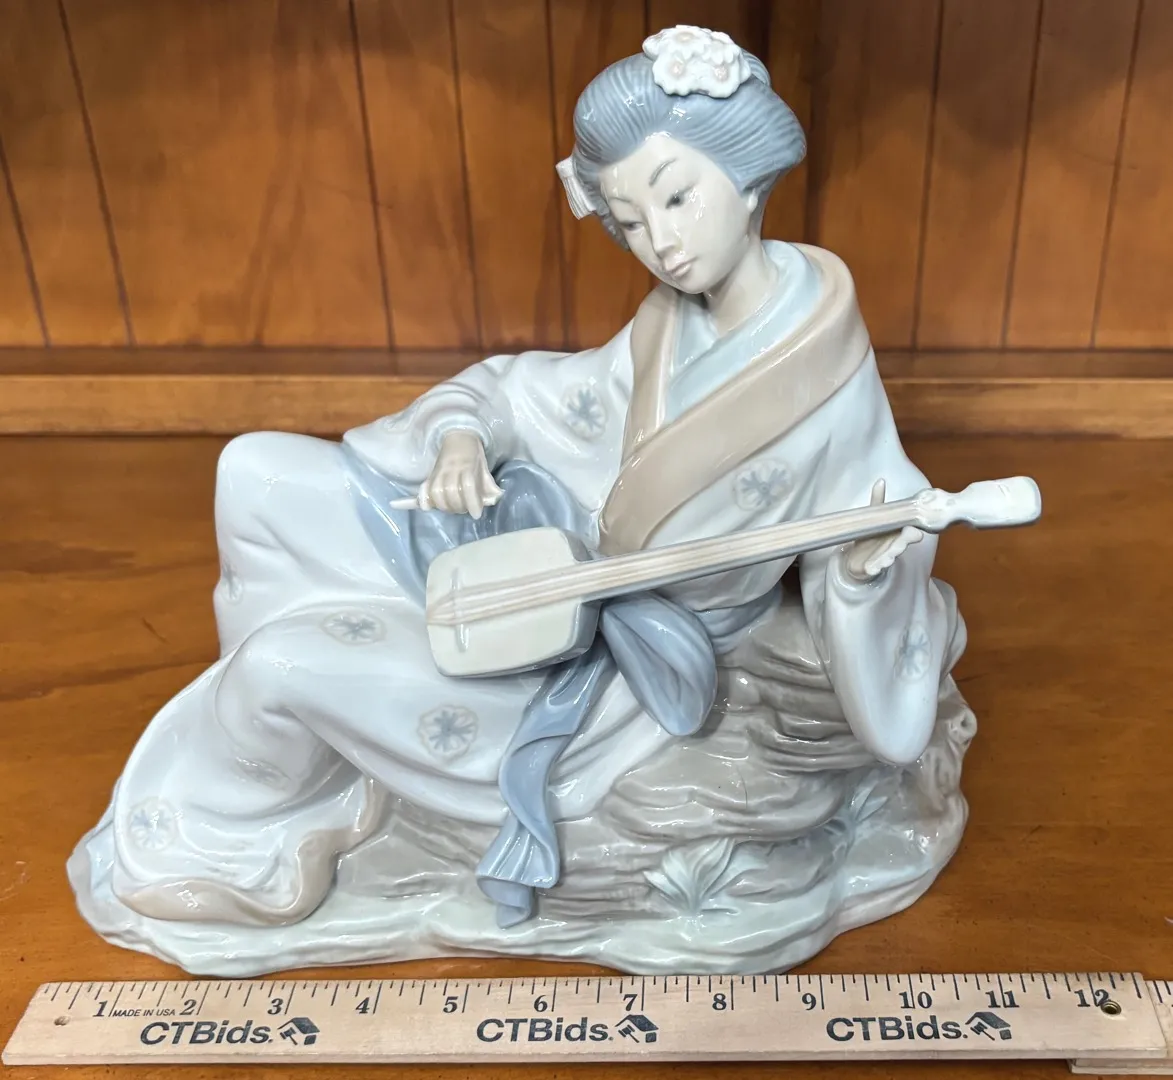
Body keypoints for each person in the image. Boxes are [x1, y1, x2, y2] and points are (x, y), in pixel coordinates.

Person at [69, 26, 973, 976]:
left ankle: (261, 829)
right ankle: (324, 758)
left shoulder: (823, 370)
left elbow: (885, 517)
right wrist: (463, 434)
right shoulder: (672, 324)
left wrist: (864, 572)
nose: (661, 243)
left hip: (614, 660)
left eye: (677, 197)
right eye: (630, 220)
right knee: (255, 471)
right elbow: (549, 394)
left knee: (280, 667)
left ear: (746, 178)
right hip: (546, 548)